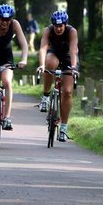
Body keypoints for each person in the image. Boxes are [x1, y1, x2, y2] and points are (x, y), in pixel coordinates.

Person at [37, 10, 79, 142]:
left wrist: (73, 67)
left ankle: (64, 128)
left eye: (61, 26)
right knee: (49, 63)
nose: (58, 28)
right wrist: (41, 65)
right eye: (56, 26)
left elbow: (73, 51)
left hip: (67, 57)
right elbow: (43, 48)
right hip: (53, 53)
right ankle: (46, 96)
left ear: (65, 25)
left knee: (67, 92)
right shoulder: (48, 30)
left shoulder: (72, 32)